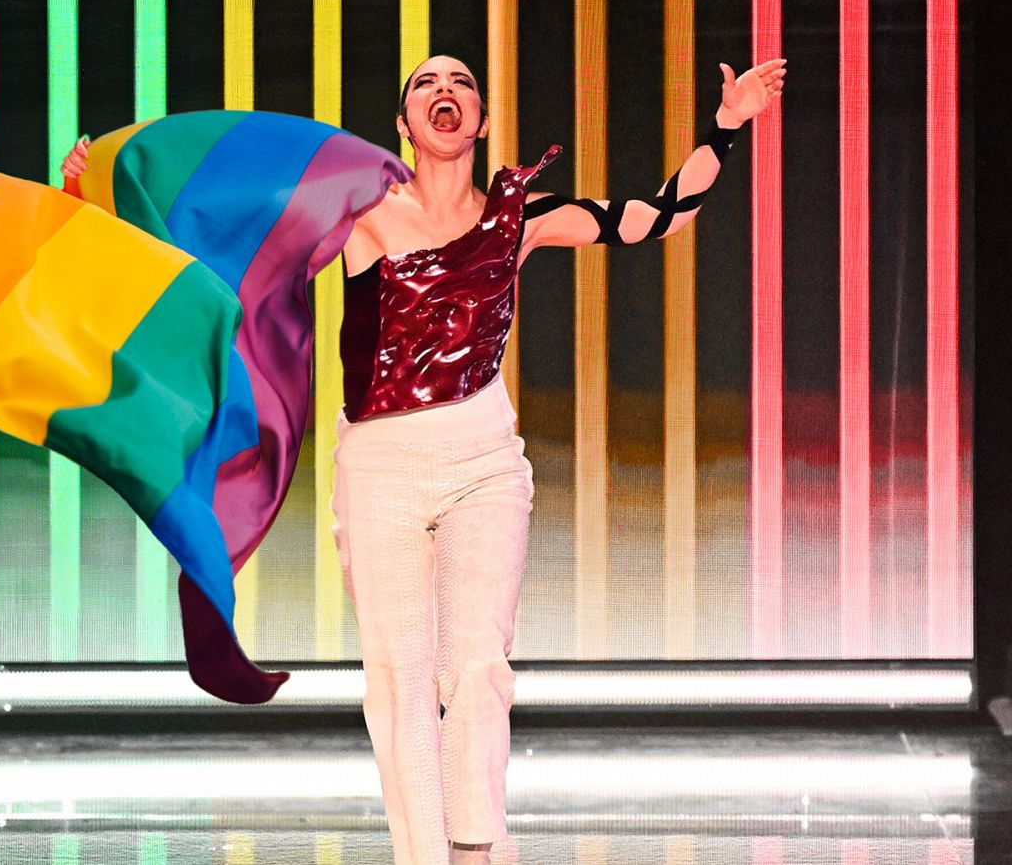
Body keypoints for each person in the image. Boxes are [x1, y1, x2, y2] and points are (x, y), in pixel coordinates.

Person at [64, 51, 784, 865]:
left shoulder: (521, 215)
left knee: (476, 665)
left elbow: (657, 214)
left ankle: (477, 846)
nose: (446, 93)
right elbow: (214, 229)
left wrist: (724, 130)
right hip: (382, 466)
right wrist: (105, 186)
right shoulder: (356, 214)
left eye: (462, 85)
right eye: (426, 87)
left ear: (479, 122)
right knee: (401, 678)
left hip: (482, 457)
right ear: (403, 126)